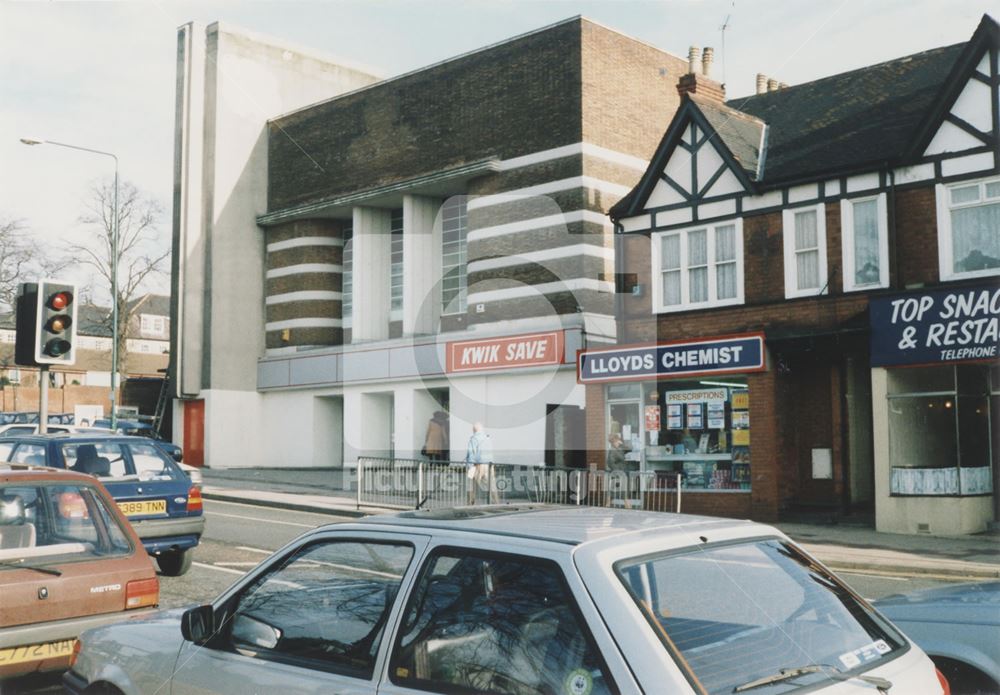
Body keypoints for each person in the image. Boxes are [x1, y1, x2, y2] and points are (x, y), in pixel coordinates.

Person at [464, 422, 496, 504]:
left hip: (476, 465)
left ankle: (470, 503)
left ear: (474, 430)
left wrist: (470, 466)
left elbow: (471, 454)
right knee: (491, 485)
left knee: (470, 484)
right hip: (489, 465)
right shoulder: (488, 438)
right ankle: (496, 502)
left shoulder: (473, 439)